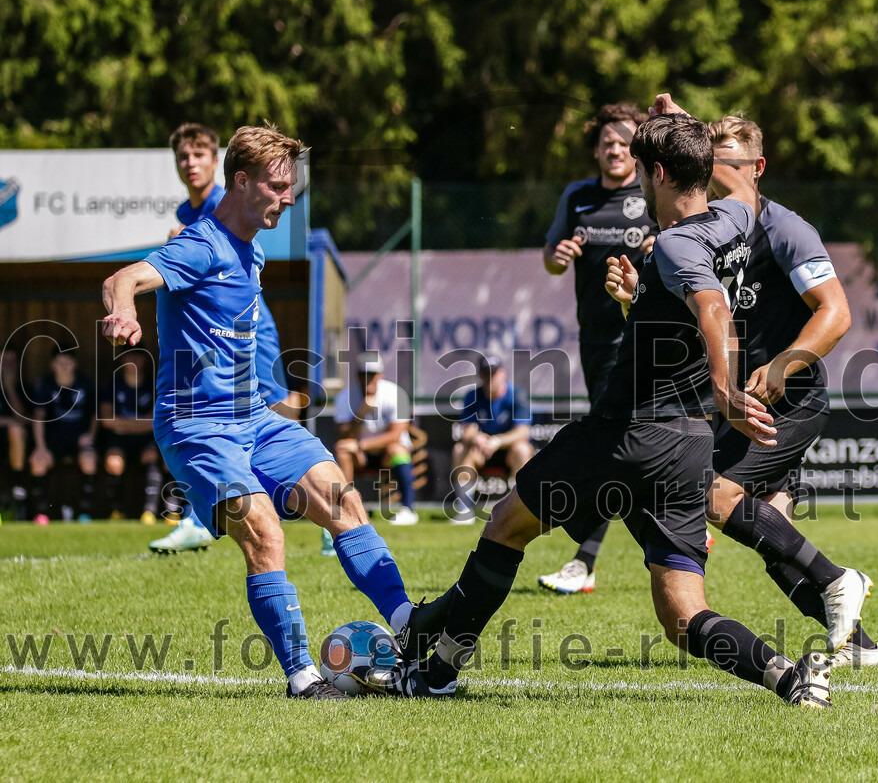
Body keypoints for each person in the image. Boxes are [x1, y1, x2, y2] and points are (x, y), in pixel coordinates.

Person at [358, 113, 838, 709]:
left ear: (658, 172)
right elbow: (723, 219)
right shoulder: (739, 219)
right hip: (685, 447)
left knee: (506, 526)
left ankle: (434, 661)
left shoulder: (678, 243)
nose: (635, 179)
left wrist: (725, 386)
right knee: (684, 615)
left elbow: (713, 309)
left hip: (620, 436)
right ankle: (790, 679)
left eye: (641, 168)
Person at [101, 123, 438, 700]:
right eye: (278, 186)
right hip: (197, 427)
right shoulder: (201, 245)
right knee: (265, 531)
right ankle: (304, 678)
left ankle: (411, 626)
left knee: (344, 500)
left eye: (291, 186)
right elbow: (124, 277)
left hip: (255, 418)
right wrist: (122, 312)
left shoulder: (251, 248)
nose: (288, 198)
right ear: (241, 180)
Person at [697, 109, 878, 668]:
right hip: (745, 405)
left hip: (791, 399)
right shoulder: (707, 234)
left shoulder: (783, 228)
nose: (714, 170)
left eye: (727, 160)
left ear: (756, 167)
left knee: (713, 494)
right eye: (709, 161)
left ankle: (838, 578)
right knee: (771, 533)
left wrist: (781, 367)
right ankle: (858, 646)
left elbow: (837, 313)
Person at [149, 122, 299, 554]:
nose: (190, 164)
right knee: (207, 419)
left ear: (219, 163)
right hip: (210, 339)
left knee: (274, 420)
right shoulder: (186, 215)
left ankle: (325, 512)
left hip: (247, 333)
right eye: (182, 157)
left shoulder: (225, 202)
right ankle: (199, 517)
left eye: (199, 156)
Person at [538, 102, 658, 594]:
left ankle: (584, 560)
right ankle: (681, 514)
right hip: (594, 337)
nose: (614, 148)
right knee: (629, 439)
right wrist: (559, 255)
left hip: (643, 330)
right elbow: (549, 258)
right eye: (606, 141)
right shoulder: (578, 196)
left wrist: (659, 246)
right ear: (596, 150)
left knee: (611, 439)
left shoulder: (652, 191)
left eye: (623, 141)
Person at [333, 353, 418, 526]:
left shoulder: (396, 394)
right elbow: (343, 434)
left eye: (372, 374)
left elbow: (395, 434)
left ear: (380, 375)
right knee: (342, 448)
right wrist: (361, 414)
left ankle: (408, 509)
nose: (368, 378)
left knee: (397, 449)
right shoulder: (344, 398)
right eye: (364, 373)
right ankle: (345, 507)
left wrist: (362, 445)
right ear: (357, 375)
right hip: (360, 455)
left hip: (385, 452)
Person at [450, 354, 533, 525]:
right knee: (460, 449)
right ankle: (464, 510)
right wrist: (477, 437)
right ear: (479, 375)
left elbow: (522, 432)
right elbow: (467, 432)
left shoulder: (517, 394)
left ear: (502, 374)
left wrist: (497, 441)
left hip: (507, 450)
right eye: (485, 373)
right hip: (484, 451)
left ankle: (521, 509)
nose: (490, 378)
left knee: (522, 449)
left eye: (493, 373)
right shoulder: (472, 396)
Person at [29, 347, 97, 524]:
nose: (65, 367)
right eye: (60, 363)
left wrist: (90, 435)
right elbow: (38, 417)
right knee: (38, 461)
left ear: (74, 364)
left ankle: (85, 513)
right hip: (54, 440)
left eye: (68, 363)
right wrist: (41, 447)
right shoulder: (46, 385)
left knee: (89, 459)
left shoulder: (84, 384)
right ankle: (41, 513)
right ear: (53, 365)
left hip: (78, 439)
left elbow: (95, 414)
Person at [99, 345, 162, 523]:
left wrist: (122, 424)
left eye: (138, 357)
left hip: (145, 440)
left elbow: (155, 422)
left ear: (144, 361)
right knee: (114, 462)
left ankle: (149, 512)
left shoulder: (153, 385)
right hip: (118, 440)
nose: (134, 361)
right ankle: (117, 511)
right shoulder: (112, 384)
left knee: (151, 456)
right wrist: (139, 423)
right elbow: (106, 420)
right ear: (122, 359)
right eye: (129, 357)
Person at [0, 346, 29, 520]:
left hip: (14, 443)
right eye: (3, 362)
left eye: (11, 362)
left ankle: (18, 488)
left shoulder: (24, 388)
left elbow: (23, 418)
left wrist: (9, 387)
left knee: (16, 430)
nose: (6, 366)